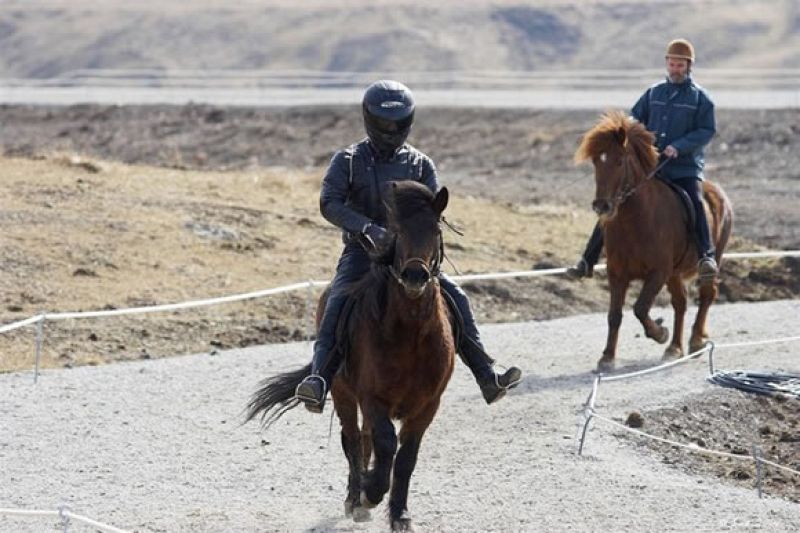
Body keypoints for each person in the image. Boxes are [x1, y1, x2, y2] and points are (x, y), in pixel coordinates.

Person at [294, 80, 522, 413]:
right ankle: (319, 380)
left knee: (457, 298)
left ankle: (487, 376)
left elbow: (431, 213)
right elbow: (329, 202)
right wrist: (366, 227)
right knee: (338, 299)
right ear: (369, 120)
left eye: (398, 123)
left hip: (410, 255)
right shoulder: (349, 160)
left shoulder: (420, 164)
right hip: (363, 252)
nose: (391, 130)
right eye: (385, 123)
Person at [567, 38, 718, 281]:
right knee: (614, 202)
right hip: (653, 166)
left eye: (680, 65)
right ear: (666, 64)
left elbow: (706, 130)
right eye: (672, 64)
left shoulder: (701, 99)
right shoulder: (653, 93)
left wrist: (678, 147)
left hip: (684, 168)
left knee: (697, 202)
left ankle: (705, 256)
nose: (675, 69)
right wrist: (628, 132)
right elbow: (635, 117)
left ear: (689, 66)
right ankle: (588, 259)